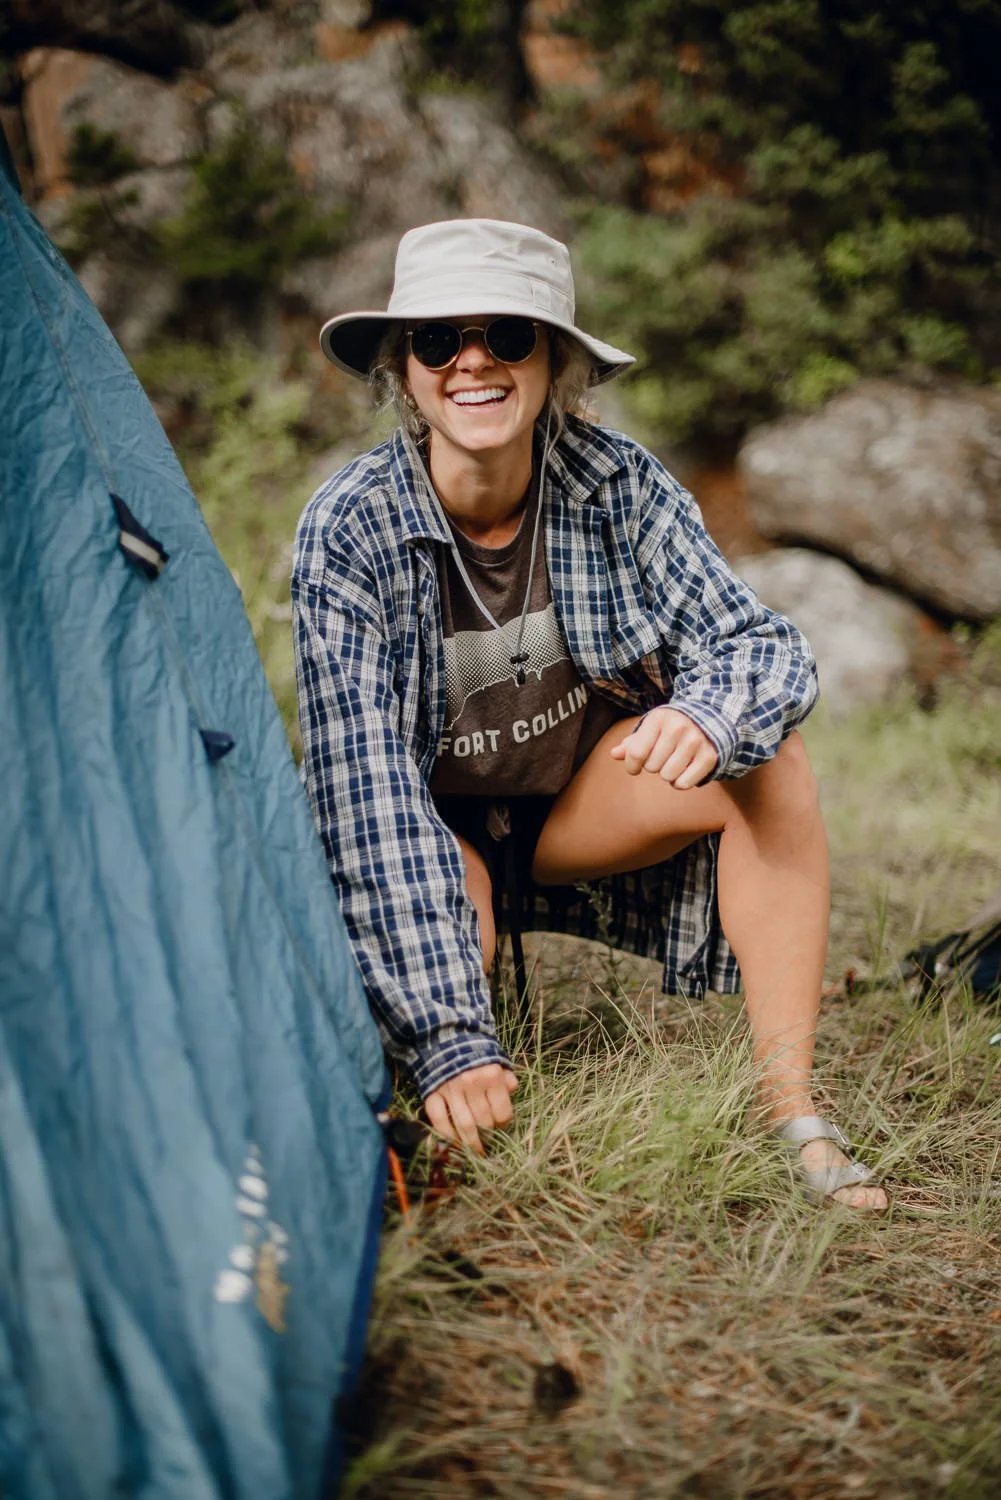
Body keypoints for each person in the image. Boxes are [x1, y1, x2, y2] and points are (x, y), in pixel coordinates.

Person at [293, 218, 886, 1211]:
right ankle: (413, 1106)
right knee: (445, 1068)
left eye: (507, 336)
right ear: (405, 371)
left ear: (553, 362)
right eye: (438, 340)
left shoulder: (619, 486)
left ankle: (791, 1112)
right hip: (434, 828)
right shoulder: (346, 527)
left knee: (768, 760)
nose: (472, 361)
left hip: (575, 811)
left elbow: (761, 649)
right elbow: (363, 797)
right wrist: (448, 1035)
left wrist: (707, 713)